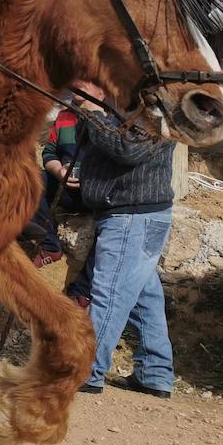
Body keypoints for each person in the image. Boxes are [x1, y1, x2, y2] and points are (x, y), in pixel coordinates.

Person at [76, 108, 178, 399]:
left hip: (133, 216)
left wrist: (94, 114)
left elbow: (129, 149)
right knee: (145, 298)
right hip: (137, 213)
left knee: (110, 295)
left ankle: (86, 370)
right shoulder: (137, 103)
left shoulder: (157, 109)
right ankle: (155, 373)